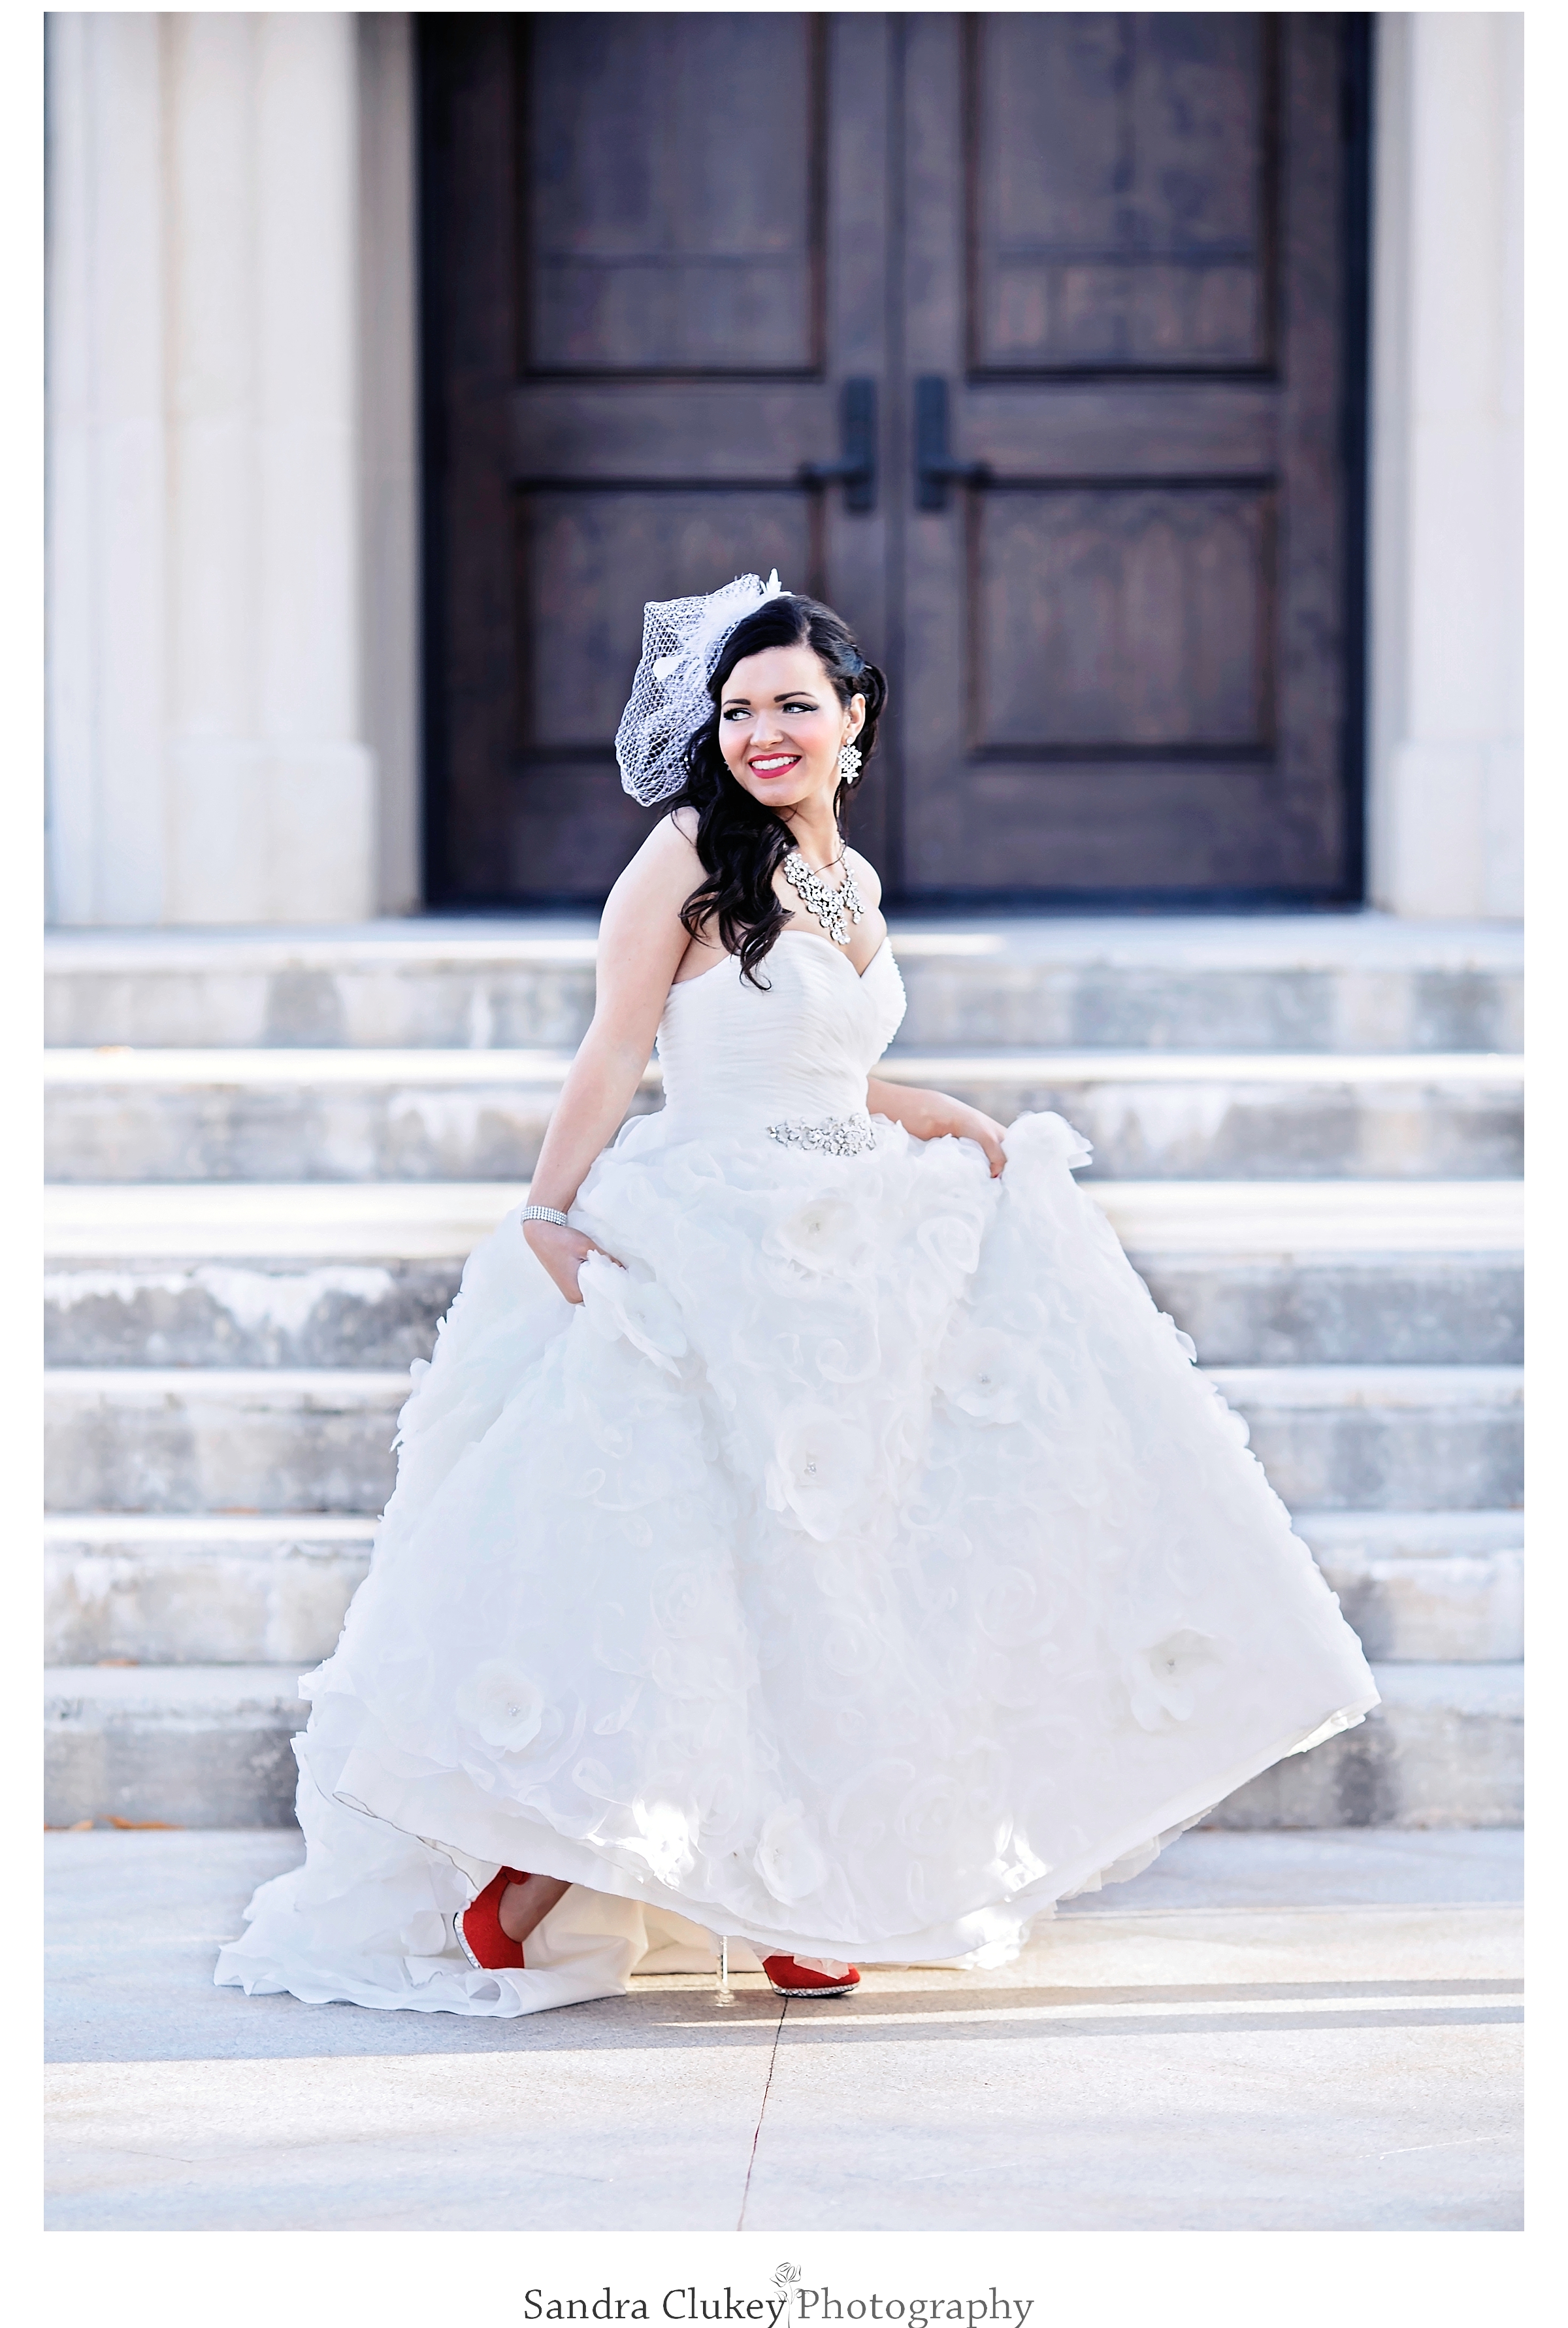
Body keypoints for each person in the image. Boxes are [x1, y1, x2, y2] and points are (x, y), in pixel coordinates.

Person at [218, 573, 1377, 2017]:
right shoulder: (688, 854)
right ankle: (550, 1874)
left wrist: (938, 1110)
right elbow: (620, 1047)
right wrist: (544, 1207)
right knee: (718, 1561)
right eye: (740, 707)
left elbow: (820, 1068)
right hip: (718, 1230)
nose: (765, 730)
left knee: (861, 1558)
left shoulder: (852, 881)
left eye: (793, 705)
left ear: (854, 719)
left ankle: (812, 1878)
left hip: (858, 1240)